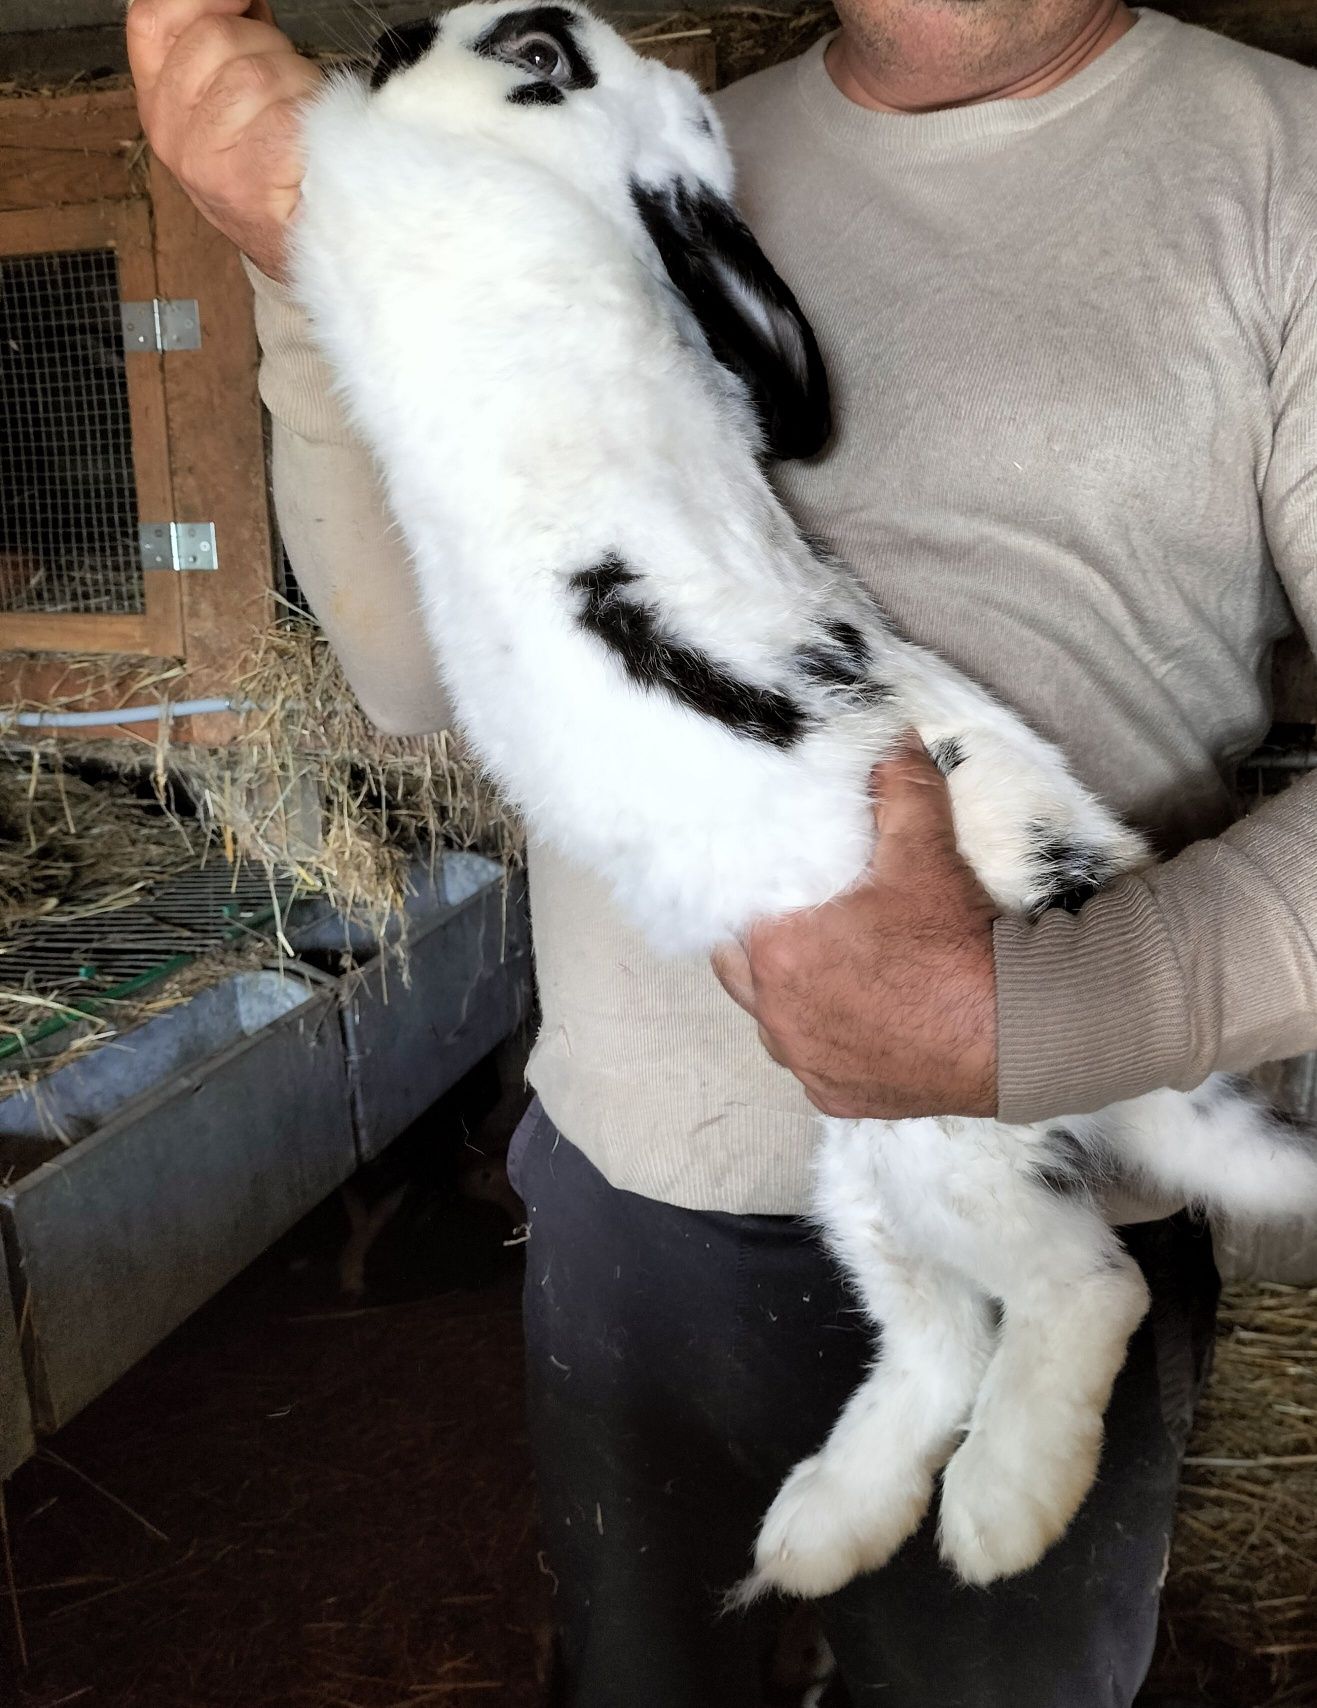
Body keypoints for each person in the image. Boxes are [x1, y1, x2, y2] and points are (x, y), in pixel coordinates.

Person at [126, 1, 1317, 1703]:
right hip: (632, 1189)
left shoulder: (1284, 171)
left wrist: (1031, 1017)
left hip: (1068, 1158)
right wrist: (315, 251)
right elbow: (406, 673)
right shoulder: (620, 135)